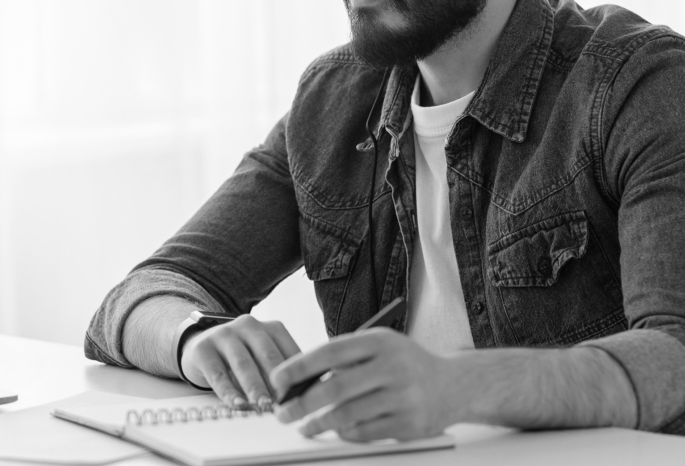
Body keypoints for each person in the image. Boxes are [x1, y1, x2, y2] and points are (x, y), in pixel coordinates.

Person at [84, 0, 685, 441]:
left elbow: (676, 353)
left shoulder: (640, 83)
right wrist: (196, 336)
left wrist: (461, 387)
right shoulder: (334, 98)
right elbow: (140, 296)